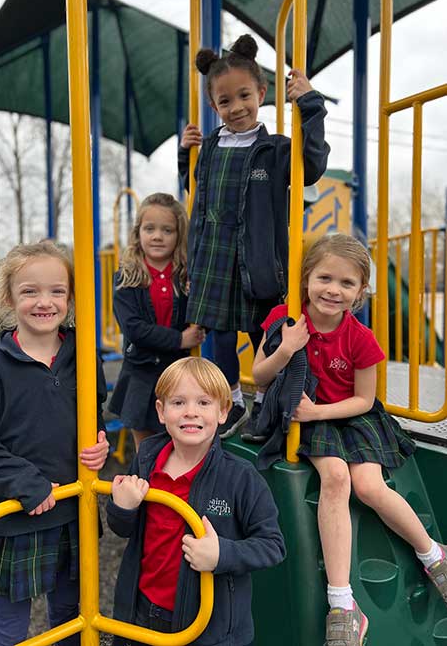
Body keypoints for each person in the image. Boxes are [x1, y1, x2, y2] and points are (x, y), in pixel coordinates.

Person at [252, 233, 447, 646]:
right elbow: (259, 376)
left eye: (346, 283)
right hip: (309, 416)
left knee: (370, 486)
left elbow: (363, 400)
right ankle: (343, 603)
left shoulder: (360, 338)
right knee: (336, 478)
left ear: (360, 292)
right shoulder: (284, 318)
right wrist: (285, 350)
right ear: (306, 279)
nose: (333, 290)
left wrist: (318, 412)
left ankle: (433, 554)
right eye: (325, 278)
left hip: (346, 415)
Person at [0, 240, 109, 646]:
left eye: (57, 291)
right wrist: (26, 482)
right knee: (10, 626)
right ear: (9, 297)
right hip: (16, 513)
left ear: (71, 296)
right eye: (30, 291)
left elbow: (96, 413)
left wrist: (101, 442)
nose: (45, 302)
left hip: (74, 508)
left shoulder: (83, 355)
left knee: (70, 616)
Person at [178, 33, 330, 439]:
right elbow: (199, 196)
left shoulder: (276, 149)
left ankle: (265, 401)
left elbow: (312, 166)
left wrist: (309, 103)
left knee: (266, 333)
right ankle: (232, 400)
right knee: (219, 337)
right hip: (213, 257)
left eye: (244, 95)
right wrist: (185, 155)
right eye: (225, 101)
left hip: (257, 261)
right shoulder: (208, 149)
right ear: (214, 105)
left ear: (262, 92)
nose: (236, 107)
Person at [106, 356, 285, 646]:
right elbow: (125, 528)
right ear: (161, 412)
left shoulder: (240, 477)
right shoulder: (148, 457)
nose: (191, 412)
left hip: (207, 623)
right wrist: (123, 508)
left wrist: (221, 555)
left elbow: (273, 546)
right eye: (178, 403)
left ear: (223, 411)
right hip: (141, 609)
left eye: (204, 403)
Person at [108, 193, 205, 451]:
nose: (157, 236)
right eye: (149, 229)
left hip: (177, 373)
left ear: (179, 235)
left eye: (167, 230)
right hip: (141, 372)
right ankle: (145, 488)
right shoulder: (127, 277)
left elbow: (197, 315)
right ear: (138, 232)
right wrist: (180, 339)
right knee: (146, 447)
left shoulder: (186, 277)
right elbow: (133, 328)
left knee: (179, 443)